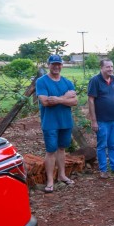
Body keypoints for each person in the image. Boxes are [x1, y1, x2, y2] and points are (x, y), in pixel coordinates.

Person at [36, 55, 78, 192]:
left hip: (65, 122)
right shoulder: (42, 82)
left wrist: (59, 100)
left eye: (58, 64)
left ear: (62, 65)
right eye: (53, 64)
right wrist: (66, 97)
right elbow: (45, 102)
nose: (56, 66)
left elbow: (75, 102)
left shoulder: (67, 82)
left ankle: (62, 175)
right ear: (48, 65)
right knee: (50, 151)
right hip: (50, 123)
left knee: (61, 149)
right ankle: (49, 180)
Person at [87, 59, 114, 179]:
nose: (110, 69)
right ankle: (103, 169)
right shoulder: (95, 81)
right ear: (101, 68)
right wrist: (94, 120)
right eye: (107, 67)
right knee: (102, 145)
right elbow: (90, 100)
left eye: (112, 67)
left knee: (113, 144)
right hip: (102, 120)